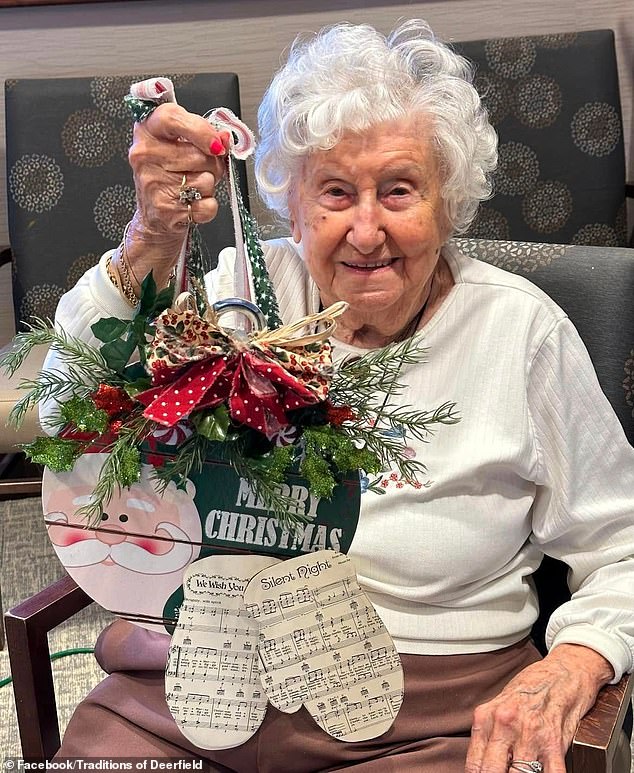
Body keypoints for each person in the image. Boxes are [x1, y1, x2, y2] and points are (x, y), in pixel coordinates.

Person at [41, 19, 634, 773]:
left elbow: (623, 545)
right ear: (291, 206)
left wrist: (574, 662)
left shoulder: (520, 333)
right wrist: (149, 241)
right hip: (191, 693)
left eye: (398, 190)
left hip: (423, 722)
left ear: (448, 202)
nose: (364, 230)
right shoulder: (237, 297)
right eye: (334, 191)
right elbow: (68, 421)